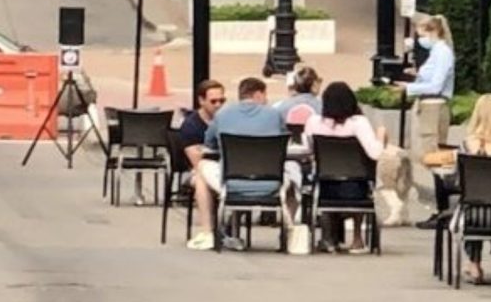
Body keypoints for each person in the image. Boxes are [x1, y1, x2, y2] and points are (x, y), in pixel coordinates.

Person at [424, 93, 491, 283]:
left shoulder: (467, 146)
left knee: (469, 203)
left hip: (475, 215)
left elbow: (458, 183)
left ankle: (474, 264)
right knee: (486, 204)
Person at [187, 77, 294, 251]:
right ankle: (288, 234)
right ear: (258, 94)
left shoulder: (222, 115)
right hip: (272, 183)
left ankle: (207, 231)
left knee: (201, 169)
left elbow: (209, 143)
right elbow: (284, 140)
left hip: (231, 183)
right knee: (294, 172)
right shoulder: (273, 115)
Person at [304, 82, 387, 253]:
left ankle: (328, 239)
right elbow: (375, 153)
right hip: (355, 189)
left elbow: (308, 150)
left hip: (325, 187)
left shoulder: (313, 122)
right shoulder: (358, 123)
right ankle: (357, 237)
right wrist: (381, 136)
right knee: (361, 174)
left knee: (324, 177)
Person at [394, 14, 455, 158]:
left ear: (433, 32)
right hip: (426, 104)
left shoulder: (443, 53)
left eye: (422, 35)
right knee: (423, 150)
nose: (421, 40)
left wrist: (409, 88)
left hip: (434, 106)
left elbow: (436, 86)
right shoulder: (435, 52)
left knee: (431, 151)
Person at [180, 80, 227, 170]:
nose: (218, 105)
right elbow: (197, 163)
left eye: (222, 101)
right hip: (199, 171)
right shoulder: (191, 125)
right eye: (213, 101)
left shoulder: (227, 119)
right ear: (201, 101)